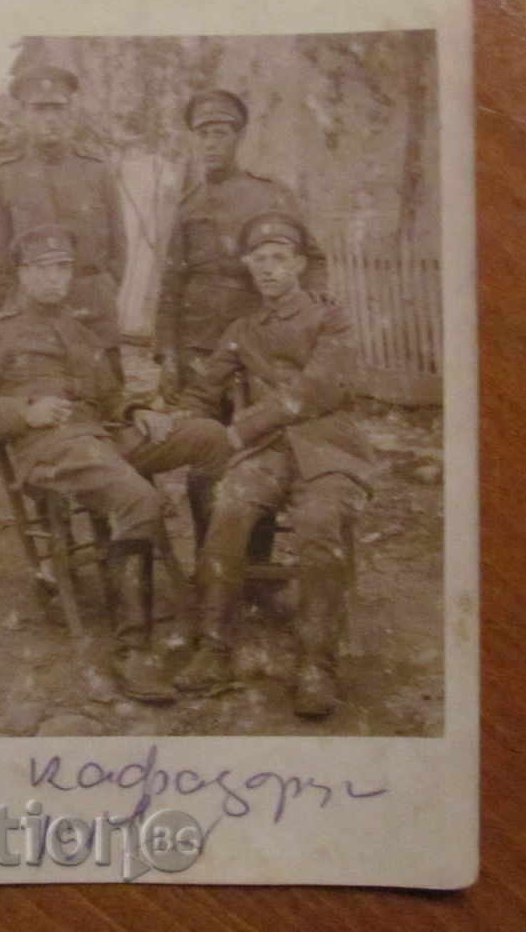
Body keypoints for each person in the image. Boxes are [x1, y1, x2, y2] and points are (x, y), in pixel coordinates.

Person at [0, 224, 231, 704]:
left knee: (212, 438)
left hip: (101, 438)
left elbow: (108, 395)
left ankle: (215, 583)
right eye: (45, 269)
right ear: (23, 273)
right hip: (49, 450)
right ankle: (132, 648)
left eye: (63, 269)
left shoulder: (78, 329)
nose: (57, 279)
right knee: (139, 497)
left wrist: (136, 411)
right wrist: (24, 411)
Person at [173, 211, 375, 718]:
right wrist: (178, 420)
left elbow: (317, 388)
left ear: (300, 265)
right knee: (230, 505)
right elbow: (205, 388)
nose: (268, 270)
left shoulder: (331, 317)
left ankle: (316, 663)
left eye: (278, 259)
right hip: (266, 454)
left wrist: (243, 427)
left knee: (319, 522)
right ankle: (213, 646)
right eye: (259, 261)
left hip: (328, 448)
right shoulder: (243, 328)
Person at [154, 90, 310, 551]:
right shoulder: (187, 204)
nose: (211, 144)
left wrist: (303, 325)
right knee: (203, 452)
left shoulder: (271, 194)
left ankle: (253, 567)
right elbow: (170, 284)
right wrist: (166, 354)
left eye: (221, 133)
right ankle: (211, 563)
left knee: (256, 448)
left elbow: (311, 258)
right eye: (203, 134)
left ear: (239, 137)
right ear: (193, 140)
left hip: (258, 349)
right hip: (201, 352)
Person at [0, 64, 127, 381]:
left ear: (70, 113)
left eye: (58, 109)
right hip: (32, 313)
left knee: (108, 402)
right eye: (39, 109)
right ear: (23, 115)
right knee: (44, 402)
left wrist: (101, 289)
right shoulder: (2, 177)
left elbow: (118, 251)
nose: (50, 118)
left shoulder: (97, 171)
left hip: (94, 312)